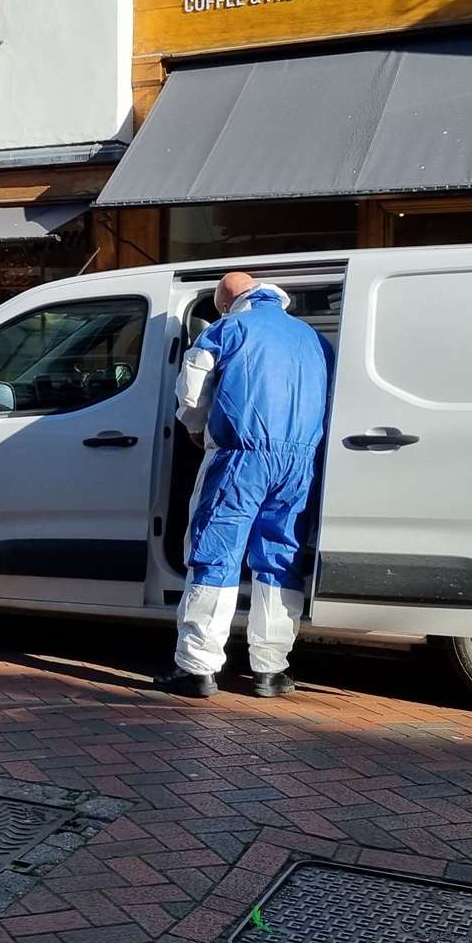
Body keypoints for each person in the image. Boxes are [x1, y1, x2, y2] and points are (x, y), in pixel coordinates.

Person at [156, 272, 333, 699]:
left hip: (241, 456)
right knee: (279, 560)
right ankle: (270, 671)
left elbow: (193, 385)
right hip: (299, 464)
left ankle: (197, 669)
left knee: (215, 556)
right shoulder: (314, 339)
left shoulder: (227, 328)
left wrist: (195, 427)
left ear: (227, 300)